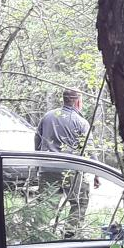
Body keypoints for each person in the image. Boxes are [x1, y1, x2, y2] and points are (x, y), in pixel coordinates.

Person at [35, 88, 91, 238]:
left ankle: (38, 235)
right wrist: (96, 173)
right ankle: (69, 235)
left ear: (64, 99)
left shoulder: (47, 116)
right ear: (77, 101)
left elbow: (37, 139)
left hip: (47, 168)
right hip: (71, 169)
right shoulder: (81, 122)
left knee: (46, 204)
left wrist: (38, 161)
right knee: (79, 201)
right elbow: (88, 148)